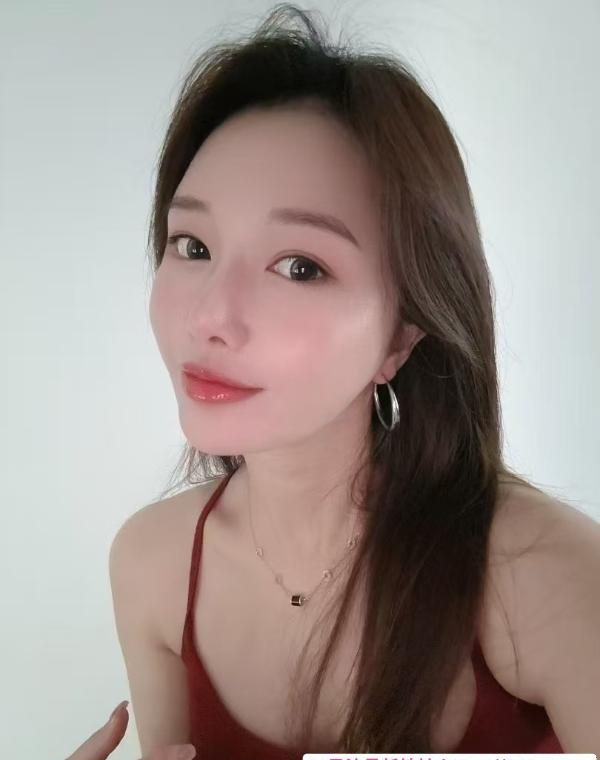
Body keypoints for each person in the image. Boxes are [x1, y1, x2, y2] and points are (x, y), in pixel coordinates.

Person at [103, 3, 599, 758]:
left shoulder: (544, 577)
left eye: (300, 266)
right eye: (192, 245)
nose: (209, 316)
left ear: (403, 332)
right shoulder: (153, 565)